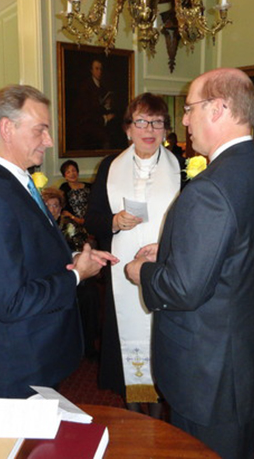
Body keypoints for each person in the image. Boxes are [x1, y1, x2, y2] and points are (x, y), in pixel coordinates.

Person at [125, 68, 254, 458]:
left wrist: (139, 271)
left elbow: (183, 289)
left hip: (207, 369)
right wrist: (176, 247)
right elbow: (237, 252)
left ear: (219, 109)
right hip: (241, 355)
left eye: (191, 107)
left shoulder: (210, 187)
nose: (183, 119)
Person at [0, 84, 117, 398]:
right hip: (19, 362)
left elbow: (28, 253)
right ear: (7, 128)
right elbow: (10, 301)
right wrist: (76, 275)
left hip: (38, 351)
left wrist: (76, 256)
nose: (49, 141)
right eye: (40, 130)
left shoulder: (15, 184)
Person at [86, 92, 181, 416]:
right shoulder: (110, 167)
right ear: (128, 129)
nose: (149, 129)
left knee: (161, 337)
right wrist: (113, 221)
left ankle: (156, 412)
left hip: (165, 270)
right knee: (125, 336)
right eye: (141, 121)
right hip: (122, 272)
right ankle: (133, 412)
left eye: (156, 122)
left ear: (166, 129)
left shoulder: (180, 166)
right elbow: (93, 217)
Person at [42, 187, 97, 359]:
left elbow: (79, 248)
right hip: (49, 278)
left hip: (72, 273)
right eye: (48, 206)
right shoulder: (37, 227)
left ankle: (88, 344)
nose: (52, 210)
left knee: (90, 293)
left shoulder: (68, 226)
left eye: (56, 206)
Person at [58, 160, 91, 225]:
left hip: (90, 220)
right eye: (68, 172)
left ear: (77, 172)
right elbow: (64, 209)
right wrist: (74, 218)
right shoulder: (64, 188)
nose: (72, 174)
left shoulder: (89, 187)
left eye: (74, 170)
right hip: (72, 222)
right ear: (64, 176)